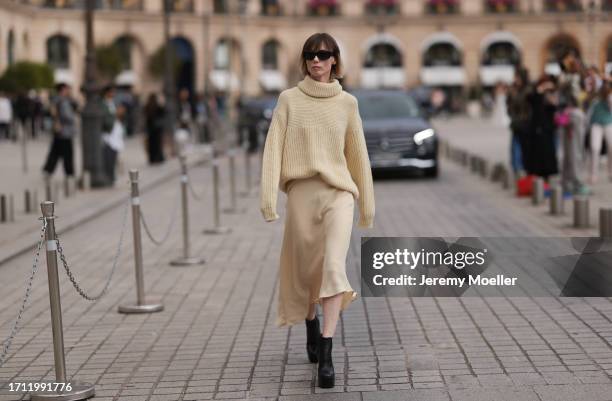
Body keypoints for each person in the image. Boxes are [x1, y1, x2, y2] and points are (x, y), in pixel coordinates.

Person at [259, 32, 375, 389]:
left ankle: (326, 350)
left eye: (323, 55)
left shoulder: (347, 104)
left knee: (332, 266)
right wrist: (268, 199)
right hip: (301, 195)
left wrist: (366, 204)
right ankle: (310, 321)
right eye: (310, 54)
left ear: (335, 61)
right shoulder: (289, 100)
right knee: (309, 272)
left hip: (339, 194)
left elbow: (358, 155)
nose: (316, 61)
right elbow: (273, 149)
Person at [527, 76, 559, 181]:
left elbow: (555, 106)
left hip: (549, 129)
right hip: (537, 129)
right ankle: (539, 178)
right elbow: (532, 103)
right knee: (538, 155)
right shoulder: (536, 95)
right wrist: (540, 91)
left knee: (549, 154)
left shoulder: (552, 94)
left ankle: (548, 176)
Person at [42, 83, 76, 179]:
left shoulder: (55, 100)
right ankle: (69, 173)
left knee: (55, 152)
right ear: (63, 90)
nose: (69, 91)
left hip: (58, 129)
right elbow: (68, 116)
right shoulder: (63, 101)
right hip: (65, 131)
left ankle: (48, 170)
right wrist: (74, 118)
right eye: (67, 89)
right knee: (67, 154)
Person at [587, 81, 612, 184]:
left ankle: (610, 172)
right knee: (595, 148)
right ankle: (593, 174)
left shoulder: (610, 98)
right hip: (596, 124)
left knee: (611, 147)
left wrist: (608, 98)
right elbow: (590, 111)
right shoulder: (595, 98)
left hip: (608, 123)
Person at [102, 104, 126, 185]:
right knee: (110, 161)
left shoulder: (118, 122)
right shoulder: (113, 121)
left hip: (114, 143)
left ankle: (111, 177)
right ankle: (110, 177)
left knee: (113, 161)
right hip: (110, 142)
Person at [144, 93, 165, 164]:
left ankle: (152, 159)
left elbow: (146, 117)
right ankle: (158, 158)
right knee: (157, 144)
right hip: (157, 129)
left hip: (150, 129)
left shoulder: (147, 106)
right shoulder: (157, 106)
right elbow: (163, 113)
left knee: (151, 144)